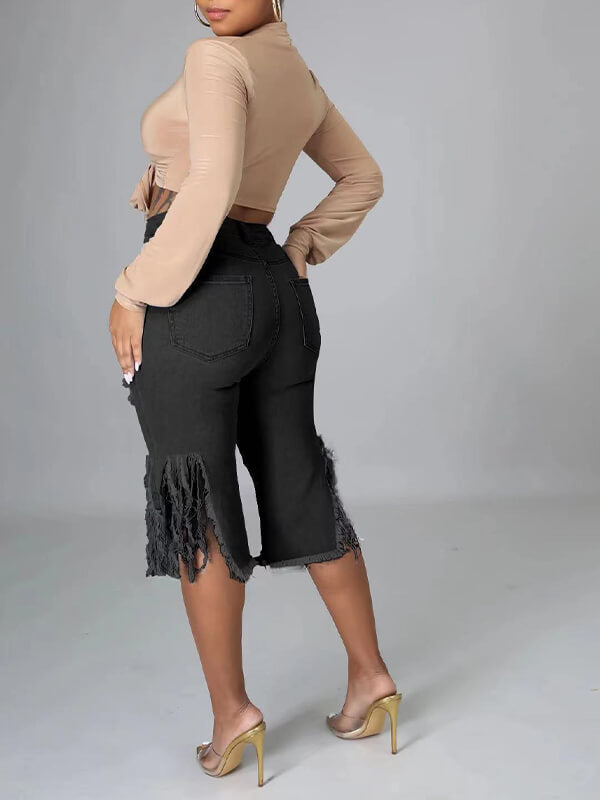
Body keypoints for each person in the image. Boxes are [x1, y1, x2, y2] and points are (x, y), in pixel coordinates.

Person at [108, 0, 401, 786]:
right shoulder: (295, 73)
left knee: (194, 491)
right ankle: (371, 677)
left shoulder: (215, 59)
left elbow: (210, 184)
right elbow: (364, 176)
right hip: (277, 289)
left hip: (198, 292)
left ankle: (232, 715)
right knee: (296, 475)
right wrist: (300, 243)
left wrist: (134, 288)